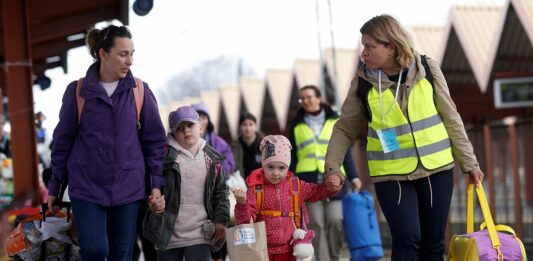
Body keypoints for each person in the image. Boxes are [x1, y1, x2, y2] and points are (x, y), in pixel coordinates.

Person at [325, 14, 484, 260]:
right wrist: (332, 167)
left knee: (433, 243)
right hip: (391, 175)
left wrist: (469, 163)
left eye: (369, 46)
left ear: (390, 46)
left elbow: (451, 117)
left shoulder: (427, 69)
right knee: (407, 239)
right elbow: (344, 128)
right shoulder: (362, 83)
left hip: (436, 168)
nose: (363, 53)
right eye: (363, 46)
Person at [47, 25, 166, 260]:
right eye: (123, 54)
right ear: (103, 54)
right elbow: (62, 143)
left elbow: (154, 143)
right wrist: (54, 188)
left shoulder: (140, 91)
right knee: (95, 250)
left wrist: (155, 186)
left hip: (128, 187)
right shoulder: (78, 92)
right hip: (86, 186)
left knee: (121, 255)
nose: (130, 60)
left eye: (132, 53)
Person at [233, 135, 344, 261]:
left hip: (291, 250)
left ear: (288, 167)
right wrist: (242, 204)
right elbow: (244, 223)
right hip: (263, 252)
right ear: (263, 166)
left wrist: (330, 186)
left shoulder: (296, 186)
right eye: (270, 167)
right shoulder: (255, 190)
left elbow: (317, 192)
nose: (275, 173)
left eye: (281, 168)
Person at [142, 105, 229, 261]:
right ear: (174, 135)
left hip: (200, 233)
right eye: (180, 128)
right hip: (168, 234)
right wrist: (153, 204)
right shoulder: (164, 159)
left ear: (201, 128)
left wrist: (221, 221)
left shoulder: (212, 160)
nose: (186, 130)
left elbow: (221, 193)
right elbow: (151, 186)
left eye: (190, 125)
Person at [289, 85, 361, 261]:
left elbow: (345, 152)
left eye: (309, 97)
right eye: (302, 98)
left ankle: (334, 257)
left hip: (335, 179)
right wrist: (290, 180)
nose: (305, 101)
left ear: (319, 98)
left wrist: (354, 176)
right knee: (316, 224)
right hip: (308, 182)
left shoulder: (336, 121)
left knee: (336, 221)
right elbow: (292, 156)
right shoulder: (296, 124)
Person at [192, 102, 236, 175]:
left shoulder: (220, 142)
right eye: (197, 118)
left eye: (204, 118)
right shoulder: (185, 141)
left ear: (208, 120)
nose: (201, 121)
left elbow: (231, 165)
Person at [231, 112, 263, 179]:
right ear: (240, 127)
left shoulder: (264, 144)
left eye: (251, 124)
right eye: (244, 125)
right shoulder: (234, 147)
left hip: (262, 183)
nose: (248, 128)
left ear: (255, 126)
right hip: (243, 185)